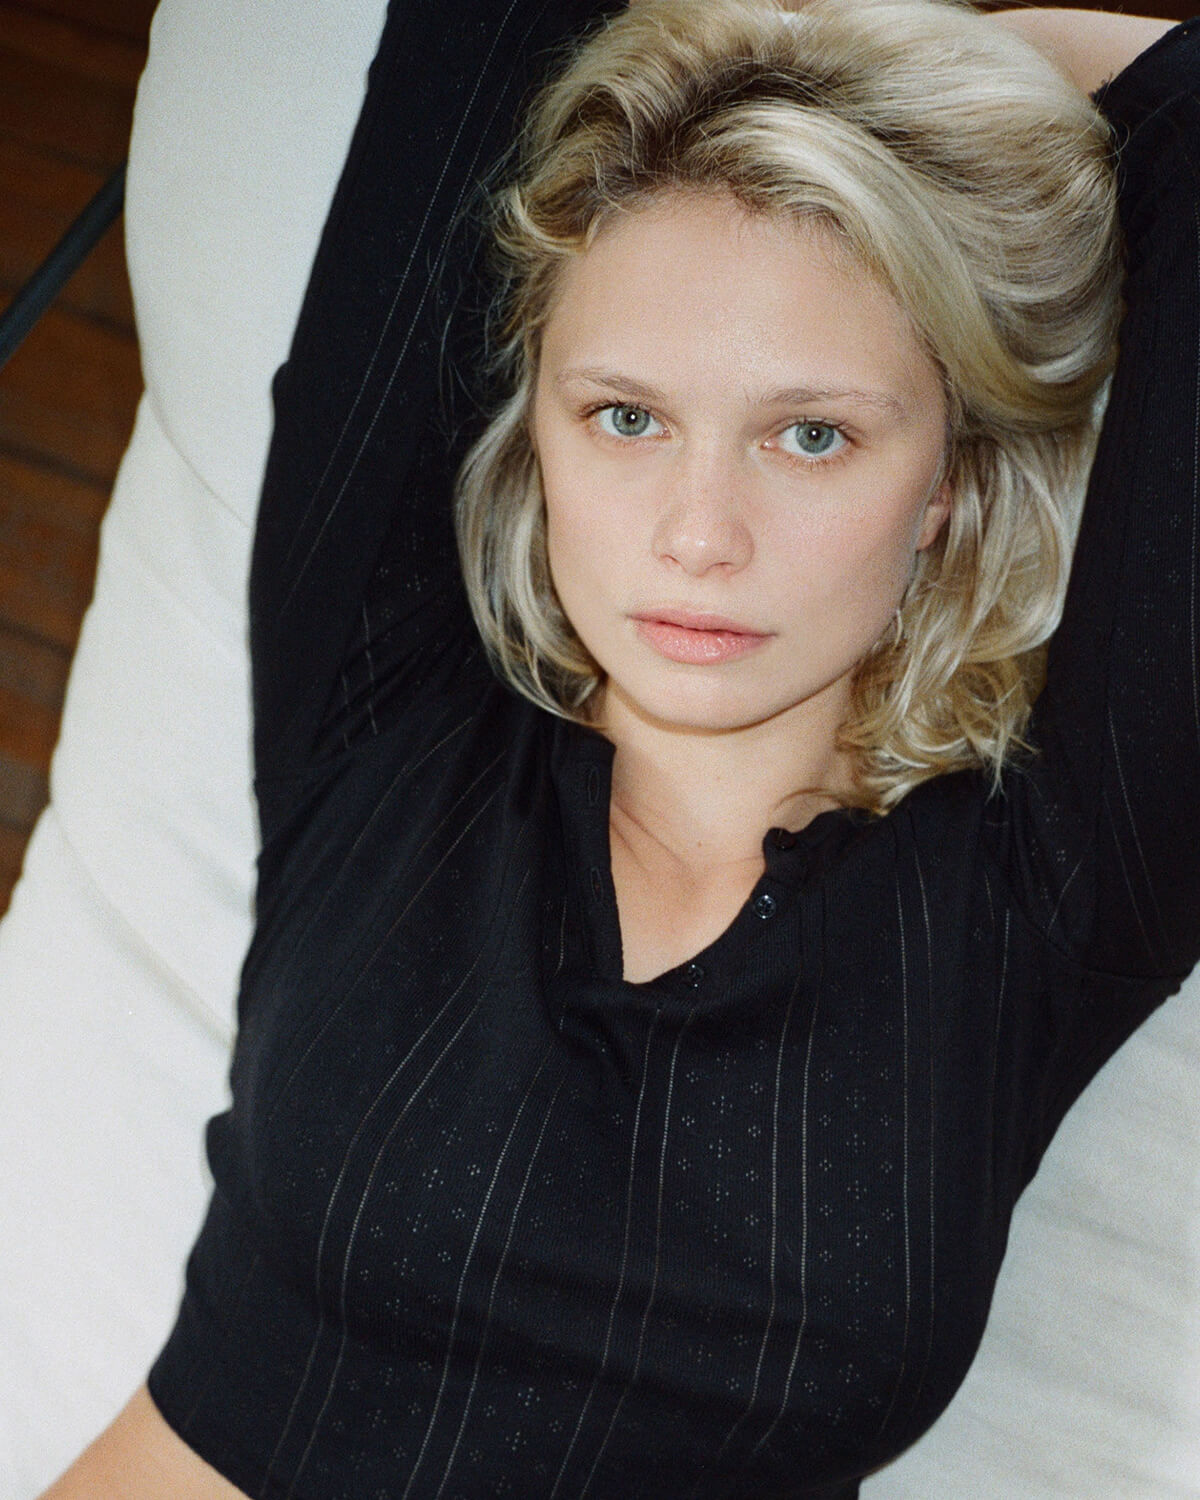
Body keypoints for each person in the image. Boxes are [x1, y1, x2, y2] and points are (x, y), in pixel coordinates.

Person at [40, 0, 1192, 1496]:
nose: (700, 536)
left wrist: (886, 67)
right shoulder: (384, 716)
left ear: (948, 488)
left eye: (813, 436)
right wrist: (753, 56)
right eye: (627, 417)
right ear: (538, 435)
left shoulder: (1046, 883)